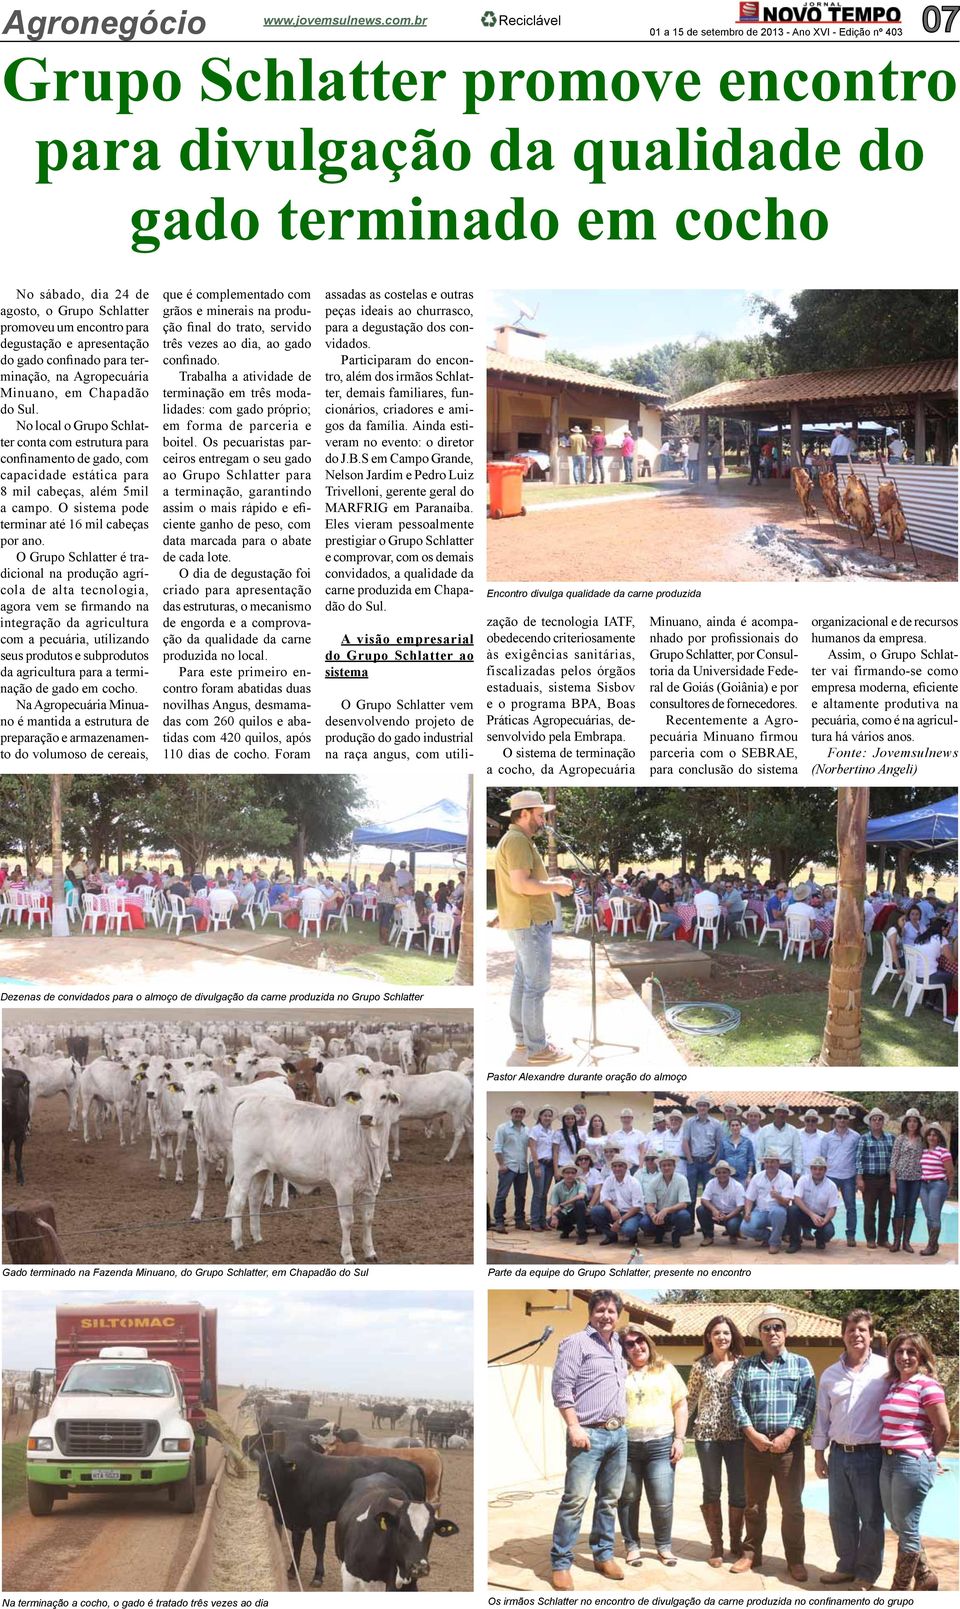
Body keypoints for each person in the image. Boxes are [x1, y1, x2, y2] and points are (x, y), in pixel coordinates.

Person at [729, 1306, 816, 1581]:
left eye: (777, 1327)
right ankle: (750, 1554)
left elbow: (807, 1403)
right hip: (754, 1446)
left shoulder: (802, 1365)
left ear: (785, 1332)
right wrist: (752, 1434)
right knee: (754, 1505)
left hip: (788, 1448)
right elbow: (736, 1401)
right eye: (766, 1328)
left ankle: (795, 1560)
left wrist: (788, 1435)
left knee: (792, 1506)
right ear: (760, 1335)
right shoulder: (746, 1366)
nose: (772, 1332)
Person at [549, 1290, 628, 1589]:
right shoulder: (575, 1343)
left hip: (618, 1434)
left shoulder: (620, 1346)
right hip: (587, 1433)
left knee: (609, 1500)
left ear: (617, 1315)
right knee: (575, 1500)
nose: (606, 1316)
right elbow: (562, 1389)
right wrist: (574, 1426)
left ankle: (603, 1555)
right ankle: (561, 1562)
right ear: (590, 1313)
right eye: (600, 1310)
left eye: (611, 1311)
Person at [493, 790, 573, 1066]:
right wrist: (557, 886)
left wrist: (552, 880)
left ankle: (523, 1037)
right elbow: (521, 885)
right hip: (531, 922)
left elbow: (525, 880)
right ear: (524, 813)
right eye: (539, 815)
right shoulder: (516, 841)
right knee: (536, 986)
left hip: (523, 921)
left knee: (523, 982)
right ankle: (538, 1048)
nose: (543, 820)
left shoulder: (516, 839)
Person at [812, 1308, 890, 1590]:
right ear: (843, 1336)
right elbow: (822, 1416)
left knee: (870, 1517)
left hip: (871, 1455)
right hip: (839, 1455)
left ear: (870, 1336)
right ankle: (846, 1566)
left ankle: (866, 1573)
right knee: (840, 1515)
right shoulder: (831, 1375)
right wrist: (819, 1454)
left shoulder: (885, 1369)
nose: (856, 1335)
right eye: (851, 1330)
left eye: (862, 1330)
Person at [879, 1331, 950, 1590]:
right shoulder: (896, 1384)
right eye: (899, 1351)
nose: (904, 1356)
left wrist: (928, 1455)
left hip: (910, 1462)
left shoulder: (927, 1385)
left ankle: (899, 1589)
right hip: (888, 1461)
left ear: (921, 1355)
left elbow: (943, 1428)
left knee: (907, 1528)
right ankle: (924, 1576)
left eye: (911, 1352)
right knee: (897, 1522)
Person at [617, 1325, 687, 1567]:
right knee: (628, 1498)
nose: (636, 1347)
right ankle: (632, 1546)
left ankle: (663, 1547)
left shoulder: (666, 1369)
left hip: (661, 1444)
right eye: (629, 1343)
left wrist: (679, 1438)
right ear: (623, 1349)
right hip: (627, 1446)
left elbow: (680, 1405)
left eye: (640, 1341)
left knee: (662, 1500)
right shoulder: (618, 1371)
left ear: (647, 1342)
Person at [687, 1315, 747, 1567]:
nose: (722, 1337)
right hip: (707, 1436)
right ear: (709, 1337)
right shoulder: (700, 1366)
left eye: (726, 1332)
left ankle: (736, 1541)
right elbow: (690, 1399)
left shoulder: (743, 1364)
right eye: (717, 1333)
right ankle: (716, 1545)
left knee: (739, 1490)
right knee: (711, 1488)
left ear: (732, 1336)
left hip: (737, 1436)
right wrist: (676, 1431)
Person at [821, 1106, 860, 1247]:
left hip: (848, 1176)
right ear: (835, 1118)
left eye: (845, 1117)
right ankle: (823, 1233)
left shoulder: (856, 1137)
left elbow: (858, 1158)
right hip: (831, 1176)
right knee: (826, 1206)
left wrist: (857, 1177)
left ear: (848, 1120)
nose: (842, 1120)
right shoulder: (827, 1138)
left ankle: (851, 1235)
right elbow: (823, 1157)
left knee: (851, 1207)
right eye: (839, 1117)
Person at [856, 1107, 894, 1249]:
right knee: (870, 1210)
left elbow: (894, 1161)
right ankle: (870, 1238)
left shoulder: (891, 1138)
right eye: (874, 1119)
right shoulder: (864, 1138)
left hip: (885, 1179)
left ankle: (883, 1239)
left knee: (886, 1210)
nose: (877, 1121)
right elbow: (858, 1160)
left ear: (883, 1122)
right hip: (869, 1179)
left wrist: (892, 1180)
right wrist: (859, 1179)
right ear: (870, 1122)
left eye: (880, 1119)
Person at [741, 1153, 794, 1254]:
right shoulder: (757, 1177)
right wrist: (747, 1212)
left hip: (777, 1210)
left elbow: (787, 1203)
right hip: (760, 1211)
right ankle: (769, 1236)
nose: (769, 1164)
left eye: (772, 1162)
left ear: (778, 1163)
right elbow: (749, 1198)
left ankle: (774, 1243)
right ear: (764, 1164)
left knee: (778, 1212)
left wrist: (778, 1196)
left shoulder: (786, 1178)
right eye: (767, 1162)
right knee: (745, 1228)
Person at [890, 1108, 925, 1254]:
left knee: (911, 1209)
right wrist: (893, 1180)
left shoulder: (922, 1140)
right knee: (899, 1208)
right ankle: (896, 1241)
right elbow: (893, 1160)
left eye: (914, 1121)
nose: (912, 1124)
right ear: (905, 1123)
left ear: (918, 1123)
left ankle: (906, 1242)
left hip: (916, 1179)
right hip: (901, 1178)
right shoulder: (900, 1139)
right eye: (909, 1121)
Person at [638, 1155, 692, 1248]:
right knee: (644, 1223)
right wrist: (653, 1215)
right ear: (660, 1167)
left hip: (675, 1213)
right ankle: (659, 1231)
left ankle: (676, 1236)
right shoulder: (654, 1181)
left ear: (674, 1166)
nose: (666, 1167)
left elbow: (684, 1203)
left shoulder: (682, 1179)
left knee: (684, 1216)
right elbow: (649, 1205)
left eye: (669, 1165)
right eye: (664, 1165)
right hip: (659, 1213)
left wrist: (666, 1210)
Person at [785, 1156, 838, 1252]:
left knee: (828, 1232)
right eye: (814, 1168)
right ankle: (795, 1242)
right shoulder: (803, 1180)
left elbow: (832, 1208)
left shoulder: (831, 1186)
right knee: (792, 1210)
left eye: (820, 1169)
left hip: (821, 1217)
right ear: (811, 1169)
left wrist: (825, 1221)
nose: (817, 1172)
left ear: (825, 1170)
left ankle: (820, 1238)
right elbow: (797, 1199)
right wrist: (811, 1214)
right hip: (804, 1213)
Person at [590, 1155, 646, 1246]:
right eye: (615, 1166)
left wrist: (619, 1221)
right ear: (611, 1168)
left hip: (632, 1213)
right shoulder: (609, 1180)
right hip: (616, 1212)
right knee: (595, 1211)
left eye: (620, 1166)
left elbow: (636, 1207)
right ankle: (611, 1236)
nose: (617, 1168)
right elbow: (604, 1198)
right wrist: (611, 1207)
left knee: (629, 1230)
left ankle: (632, 1235)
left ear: (625, 1167)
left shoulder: (634, 1182)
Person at [492, 1103, 529, 1234]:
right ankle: (499, 1222)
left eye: (521, 1112)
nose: (518, 1114)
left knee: (521, 1195)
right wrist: (501, 1164)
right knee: (502, 1195)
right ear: (511, 1113)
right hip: (508, 1167)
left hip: (522, 1168)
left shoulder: (527, 1130)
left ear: (524, 1114)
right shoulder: (503, 1128)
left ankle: (519, 1220)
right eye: (516, 1111)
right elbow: (497, 1148)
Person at [918, 1122, 954, 1257]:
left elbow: (950, 1172)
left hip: (938, 1185)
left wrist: (949, 1188)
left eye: (935, 1135)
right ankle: (934, 1245)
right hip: (923, 1185)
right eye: (930, 1135)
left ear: (939, 1138)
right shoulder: (924, 1152)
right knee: (928, 1216)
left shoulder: (943, 1152)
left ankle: (930, 1245)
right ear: (926, 1137)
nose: (932, 1137)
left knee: (934, 1216)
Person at [682, 1096, 722, 1202]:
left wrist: (712, 1160)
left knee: (708, 1193)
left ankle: (707, 1218)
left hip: (709, 1162)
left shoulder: (716, 1124)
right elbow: (685, 1141)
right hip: (693, 1161)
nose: (702, 1108)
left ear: (708, 1107)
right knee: (690, 1192)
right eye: (700, 1105)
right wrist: (690, 1160)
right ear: (696, 1107)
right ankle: (689, 1218)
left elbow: (719, 1144)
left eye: (704, 1105)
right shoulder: (689, 1122)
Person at [697, 1160, 745, 1245]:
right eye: (718, 1173)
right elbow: (704, 1199)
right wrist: (714, 1210)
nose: (721, 1175)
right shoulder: (711, 1183)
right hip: (716, 1214)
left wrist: (727, 1217)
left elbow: (740, 1206)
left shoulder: (737, 1186)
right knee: (700, 1210)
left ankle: (733, 1234)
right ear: (715, 1174)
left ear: (729, 1173)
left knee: (733, 1225)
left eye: (724, 1172)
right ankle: (708, 1236)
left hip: (732, 1214)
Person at [527, 1106, 557, 1232]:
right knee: (538, 1193)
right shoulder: (535, 1130)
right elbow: (532, 1147)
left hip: (549, 1164)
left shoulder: (552, 1132)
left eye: (550, 1115)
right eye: (545, 1115)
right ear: (540, 1117)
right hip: (538, 1163)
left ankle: (542, 1221)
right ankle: (534, 1222)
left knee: (544, 1194)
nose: (547, 1117)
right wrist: (536, 1166)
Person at [547, 1161, 590, 1245]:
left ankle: (582, 1235)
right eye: (567, 1172)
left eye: (572, 1173)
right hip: (564, 1212)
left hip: (578, 1212)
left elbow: (581, 1196)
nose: (570, 1175)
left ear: (576, 1174)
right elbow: (554, 1206)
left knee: (580, 1203)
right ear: (563, 1174)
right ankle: (567, 1229)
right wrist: (554, 1216)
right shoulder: (557, 1187)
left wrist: (563, 1204)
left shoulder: (580, 1184)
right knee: (550, 1221)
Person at [756, 1102, 803, 1178]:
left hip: (785, 1168)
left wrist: (798, 1170)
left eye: (784, 1112)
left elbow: (797, 1151)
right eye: (779, 1112)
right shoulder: (765, 1130)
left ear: (787, 1114)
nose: (781, 1114)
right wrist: (758, 1171)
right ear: (774, 1113)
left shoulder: (793, 1131)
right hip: (768, 1168)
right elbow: (759, 1151)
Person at [718, 1116, 755, 1184]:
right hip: (727, 1176)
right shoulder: (724, 1142)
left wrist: (749, 1175)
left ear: (740, 1126)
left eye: (737, 1125)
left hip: (743, 1176)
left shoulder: (747, 1142)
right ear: (729, 1127)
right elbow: (720, 1159)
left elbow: (751, 1160)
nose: (735, 1127)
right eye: (732, 1125)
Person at [609, 1108, 645, 1172]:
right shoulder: (615, 1135)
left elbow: (642, 1152)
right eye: (624, 1117)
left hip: (635, 1167)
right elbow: (612, 1152)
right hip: (619, 1167)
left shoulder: (639, 1134)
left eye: (628, 1117)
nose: (626, 1120)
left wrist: (641, 1167)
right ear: (621, 1119)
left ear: (632, 1118)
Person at [375, 861, 399, 943]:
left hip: (381, 900)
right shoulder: (393, 879)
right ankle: (385, 939)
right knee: (386, 920)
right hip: (389, 901)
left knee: (381, 919)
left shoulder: (381, 877)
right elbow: (395, 893)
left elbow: (377, 889)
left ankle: (380, 937)